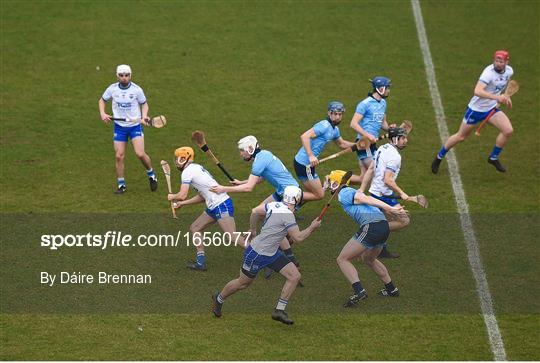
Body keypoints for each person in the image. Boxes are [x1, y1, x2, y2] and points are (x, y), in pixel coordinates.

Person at [211, 186, 321, 325]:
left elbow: (255, 211)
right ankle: (219, 298)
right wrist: (312, 227)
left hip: (272, 253)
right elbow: (298, 238)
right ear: (296, 199)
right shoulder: (287, 215)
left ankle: (279, 310)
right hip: (256, 254)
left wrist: (253, 229)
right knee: (243, 283)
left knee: (294, 276)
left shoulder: (275, 205)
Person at [210, 135, 301, 267]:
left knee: (271, 226)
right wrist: (241, 182)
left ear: (251, 149)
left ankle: (289, 258)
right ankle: (254, 233)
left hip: (290, 196)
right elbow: (262, 177)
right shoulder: (263, 155)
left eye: (242, 150)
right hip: (283, 191)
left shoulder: (259, 161)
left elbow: (249, 188)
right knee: (257, 212)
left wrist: (223, 188)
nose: (241, 154)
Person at [327, 171, 406, 307]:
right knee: (369, 259)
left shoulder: (344, 193)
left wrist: (390, 208)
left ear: (336, 183)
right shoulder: (351, 191)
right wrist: (387, 209)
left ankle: (359, 291)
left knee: (342, 259)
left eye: (330, 182)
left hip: (372, 227)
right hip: (383, 227)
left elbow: (368, 200)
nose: (328, 184)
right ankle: (391, 289)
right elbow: (368, 200)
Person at [432, 50, 514, 173]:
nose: (498, 63)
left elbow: (501, 86)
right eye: (496, 60)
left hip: (491, 108)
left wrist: (506, 96)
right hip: (476, 110)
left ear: (506, 62)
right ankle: (439, 157)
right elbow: (477, 91)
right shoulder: (488, 74)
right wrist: (498, 98)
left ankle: (493, 157)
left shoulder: (509, 71)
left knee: (508, 130)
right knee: (460, 137)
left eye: (501, 61)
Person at [168, 147, 246, 271]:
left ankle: (265, 256)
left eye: (178, 159)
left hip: (221, 204)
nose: (176, 162)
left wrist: (173, 196)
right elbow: (203, 196)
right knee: (195, 228)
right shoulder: (196, 168)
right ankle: (201, 263)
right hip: (214, 206)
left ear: (184, 159)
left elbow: (182, 195)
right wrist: (183, 204)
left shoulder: (187, 172)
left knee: (232, 237)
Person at [98, 64, 158, 194]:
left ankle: (151, 175)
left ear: (130, 75)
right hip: (119, 127)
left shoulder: (136, 90)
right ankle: (121, 185)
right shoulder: (112, 89)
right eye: (121, 75)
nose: (124, 78)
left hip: (135, 126)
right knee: (119, 156)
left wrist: (144, 116)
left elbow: (144, 104)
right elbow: (102, 101)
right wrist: (103, 113)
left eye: (126, 75)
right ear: (117, 76)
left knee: (140, 153)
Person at [359, 127, 411, 257]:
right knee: (404, 220)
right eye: (402, 138)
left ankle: (380, 248)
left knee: (385, 220)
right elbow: (387, 180)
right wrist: (402, 193)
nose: (406, 140)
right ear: (394, 139)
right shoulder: (395, 157)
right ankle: (372, 231)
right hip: (383, 195)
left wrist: (361, 189)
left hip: (375, 193)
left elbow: (370, 169)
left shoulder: (382, 148)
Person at [293, 101, 356, 201]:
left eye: (340, 114)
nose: (338, 117)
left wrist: (358, 145)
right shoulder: (324, 126)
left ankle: (291, 208)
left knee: (313, 193)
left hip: (308, 164)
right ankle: (288, 198)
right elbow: (304, 136)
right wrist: (311, 156)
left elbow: (342, 144)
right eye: (335, 114)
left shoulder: (335, 130)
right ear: (329, 113)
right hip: (305, 164)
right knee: (319, 195)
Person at [349, 76, 394, 185]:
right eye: (387, 88)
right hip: (364, 143)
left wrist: (389, 128)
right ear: (380, 88)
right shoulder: (365, 104)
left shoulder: (383, 103)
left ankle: (337, 179)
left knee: (363, 178)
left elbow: (382, 123)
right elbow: (353, 124)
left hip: (372, 143)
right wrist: (368, 135)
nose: (388, 90)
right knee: (379, 173)